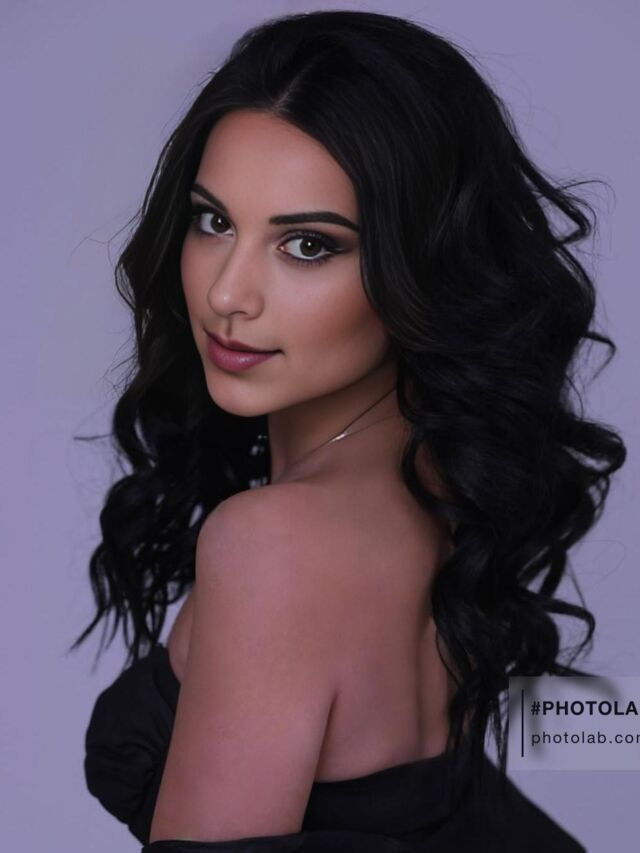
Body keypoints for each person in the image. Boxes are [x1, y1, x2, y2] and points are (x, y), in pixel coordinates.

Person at [75, 9, 626, 852]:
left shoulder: (271, 546)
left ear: (422, 262)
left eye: (306, 245)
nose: (227, 293)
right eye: (214, 221)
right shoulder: (450, 473)